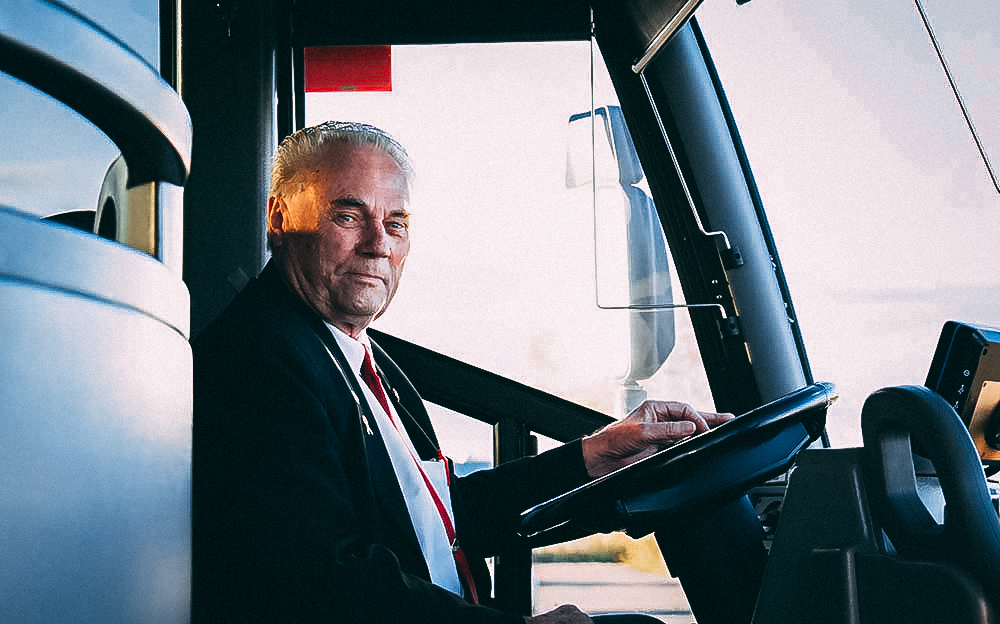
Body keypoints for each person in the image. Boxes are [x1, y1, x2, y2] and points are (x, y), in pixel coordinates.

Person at [192, 121, 731, 624]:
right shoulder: (259, 362)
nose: (378, 243)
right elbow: (319, 583)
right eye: (349, 216)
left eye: (396, 223)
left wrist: (594, 456)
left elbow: (443, 514)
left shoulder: (356, 360)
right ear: (281, 218)